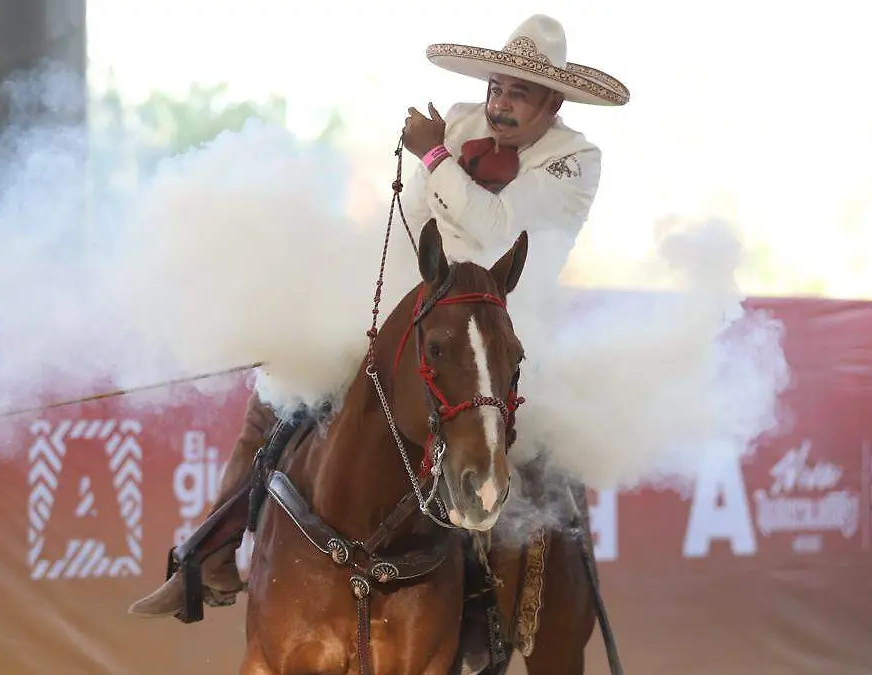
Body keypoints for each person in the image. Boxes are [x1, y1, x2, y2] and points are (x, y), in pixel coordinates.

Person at [127, 12, 629, 619]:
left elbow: (499, 236)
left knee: (501, 453)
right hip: (413, 306)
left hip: (500, 325)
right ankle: (207, 559)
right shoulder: (463, 120)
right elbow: (414, 217)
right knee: (280, 388)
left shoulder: (576, 159)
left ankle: (479, 610)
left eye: (519, 92)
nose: (500, 102)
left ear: (553, 102)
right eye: (497, 86)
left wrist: (437, 154)